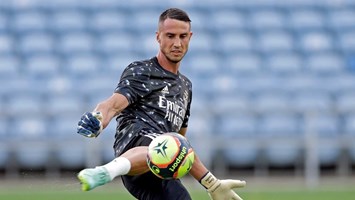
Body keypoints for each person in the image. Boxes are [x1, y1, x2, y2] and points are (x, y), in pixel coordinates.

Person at [76, 8, 246, 200]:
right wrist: (98, 118)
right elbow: (113, 104)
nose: (177, 43)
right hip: (134, 150)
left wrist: (212, 184)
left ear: (190, 37)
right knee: (163, 145)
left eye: (183, 36)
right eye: (170, 36)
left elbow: (182, 144)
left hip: (164, 167)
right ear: (158, 37)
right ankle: (106, 171)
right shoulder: (143, 70)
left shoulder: (186, 86)